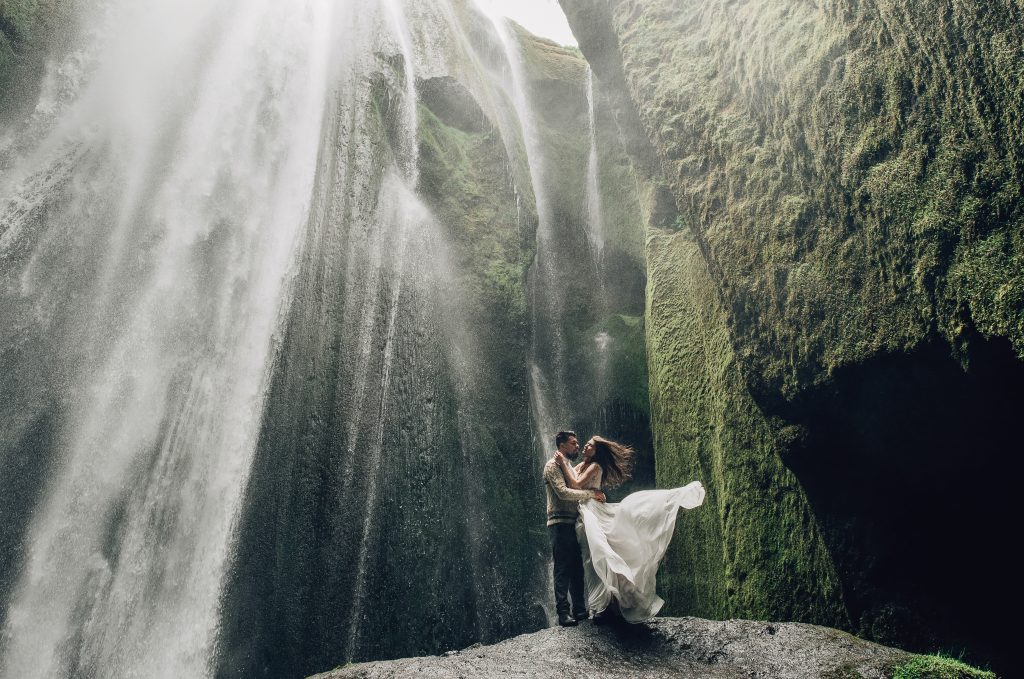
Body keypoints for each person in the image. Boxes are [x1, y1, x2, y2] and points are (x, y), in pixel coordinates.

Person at [555, 436, 705, 623]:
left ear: (597, 452)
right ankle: (604, 605)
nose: (585, 446)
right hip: (583, 512)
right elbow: (571, 483)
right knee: (592, 558)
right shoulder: (580, 466)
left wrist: (561, 462)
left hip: (593, 512)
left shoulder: (595, 466)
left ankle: (604, 606)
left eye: (590, 446)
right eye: (586, 444)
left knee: (598, 555)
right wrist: (564, 463)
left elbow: (575, 485)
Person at [543, 430, 606, 627]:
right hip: (559, 522)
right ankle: (563, 613)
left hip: (574, 522)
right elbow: (562, 493)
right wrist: (591, 494)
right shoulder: (552, 465)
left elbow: (577, 483)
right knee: (562, 568)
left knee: (577, 568)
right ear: (562, 446)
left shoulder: (570, 466)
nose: (577, 446)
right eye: (573, 443)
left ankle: (579, 609)